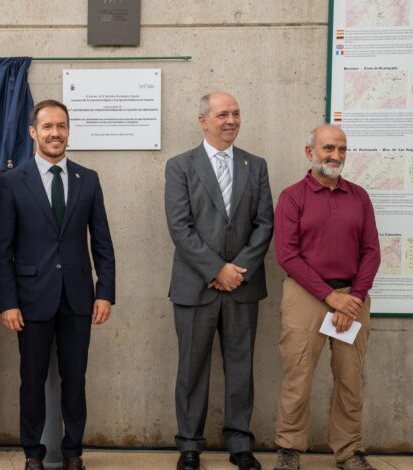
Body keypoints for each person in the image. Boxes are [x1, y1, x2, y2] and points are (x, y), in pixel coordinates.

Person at [0, 99, 116, 470]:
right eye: (47, 126)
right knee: (31, 380)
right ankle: (33, 453)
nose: (55, 133)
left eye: (61, 126)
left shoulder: (88, 178)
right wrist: (7, 302)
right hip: (30, 300)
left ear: (68, 130)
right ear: (33, 132)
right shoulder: (13, 182)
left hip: (79, 298)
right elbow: (3, 250)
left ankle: (73, 451)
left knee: (74, 380)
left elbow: (103, 243)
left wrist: (105, 292)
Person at [164, 92, 274, 470]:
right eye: (222, 114)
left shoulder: (255, 165)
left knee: (241, 367)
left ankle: (240, 443)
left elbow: (264, 224)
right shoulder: (180, 166)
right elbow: (180, 227)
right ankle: (189, 445)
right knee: (191, 369)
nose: (231, 120)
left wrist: (236, 270)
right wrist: (216, 270)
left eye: (236, 113)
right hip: (196, 287)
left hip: (243, 286)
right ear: (203, 120)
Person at [273, 124, 380, 470]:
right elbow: (287, 255)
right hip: (306, 295)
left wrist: (355, 297)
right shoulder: (292, 197)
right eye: (328, 148)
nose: (336, 156)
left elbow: (372, 252)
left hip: (353, 297)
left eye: (342, 149)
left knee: (350, 379)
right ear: (310, 153)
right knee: (298, 377)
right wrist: (329, 297)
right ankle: (289, 449)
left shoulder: (359, 196)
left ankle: (349, 451)